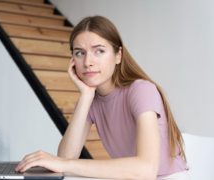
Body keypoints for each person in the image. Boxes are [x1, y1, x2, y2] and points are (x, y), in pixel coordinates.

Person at [15, 16, 190, 180]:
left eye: (99, 51)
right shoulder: (90, 99)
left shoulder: (141, 90)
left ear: (118, 55)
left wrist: (63, 163)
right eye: (80, 53)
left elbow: (147, 169)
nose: (88, 62)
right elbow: (65, 159)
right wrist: (85, 96)